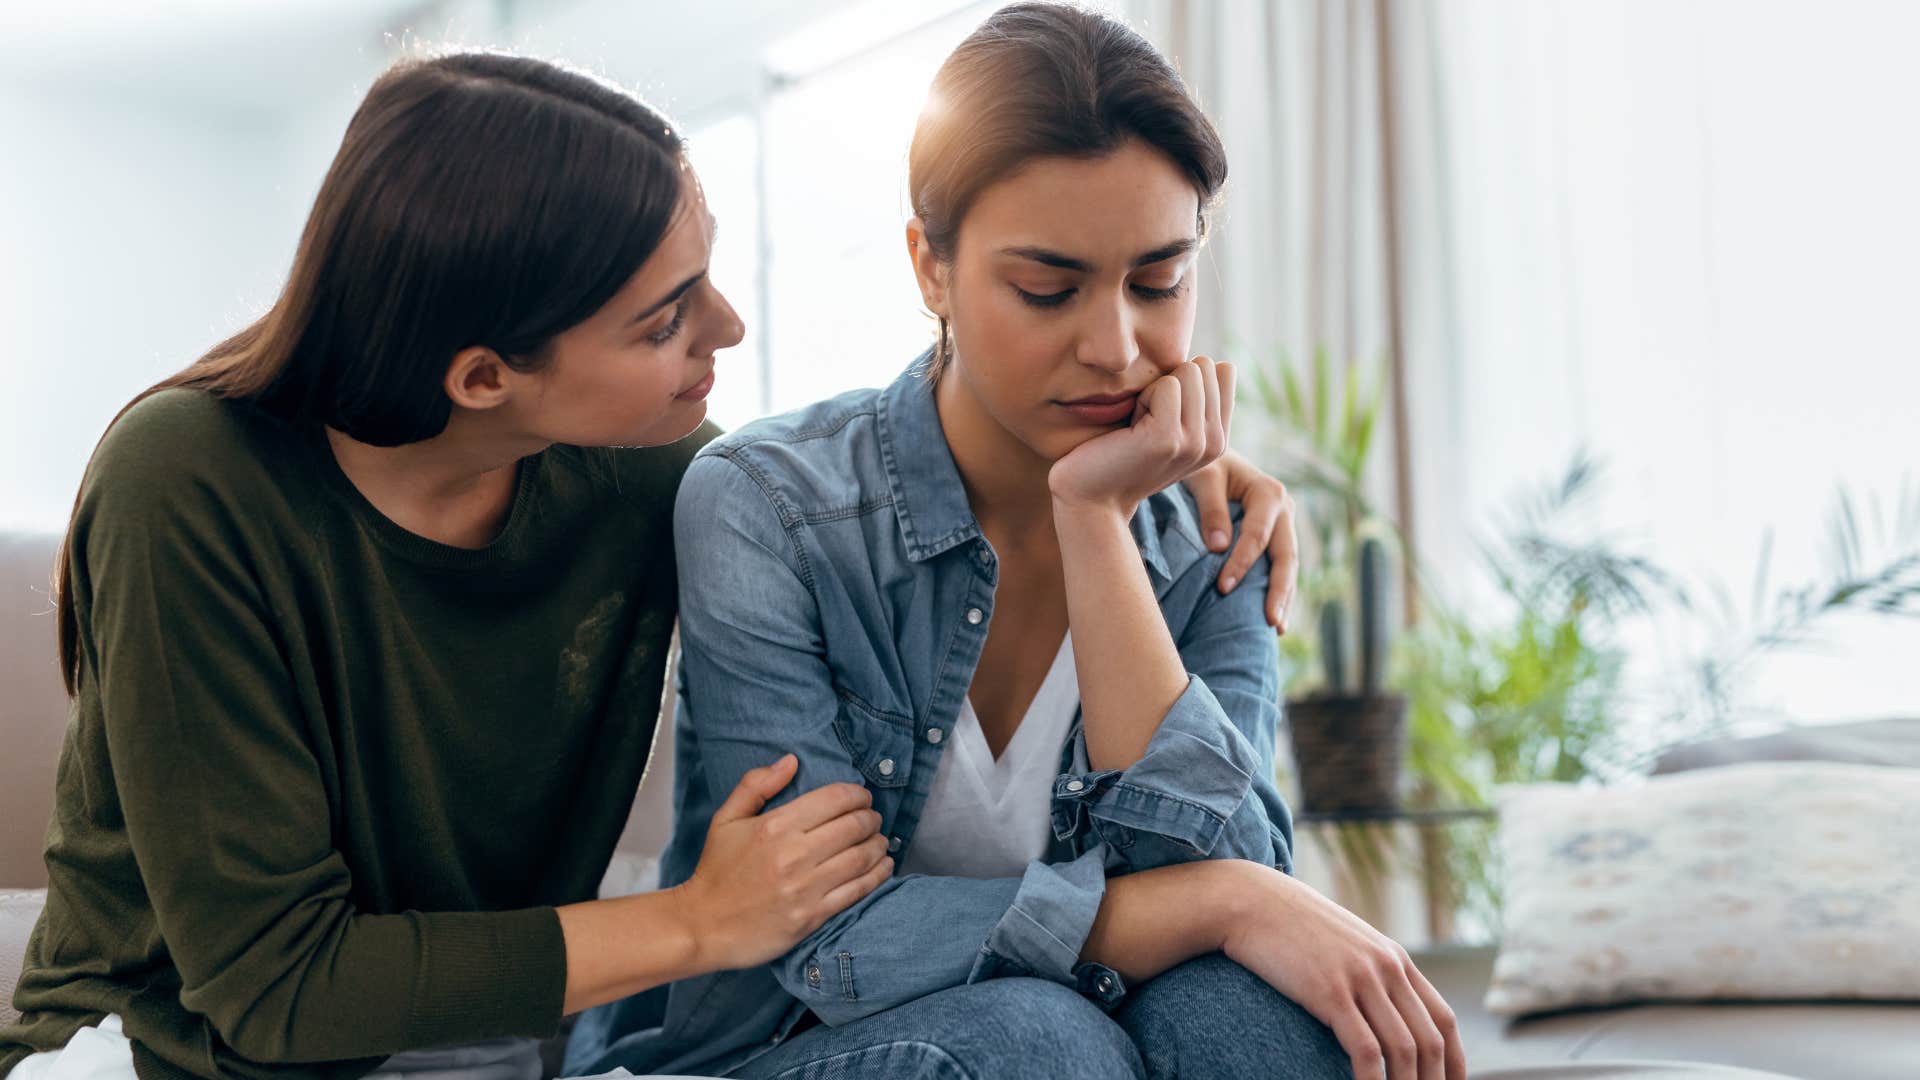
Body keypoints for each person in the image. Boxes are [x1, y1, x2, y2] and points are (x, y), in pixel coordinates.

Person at [2, 44, 1304, 1080]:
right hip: (173, 1060)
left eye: (711, 278)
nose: (727, 328)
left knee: (1236, 1023)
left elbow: (868, 481)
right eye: (666, 317)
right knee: (1042, 1046)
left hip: (509, 1052)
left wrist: (1163, 478)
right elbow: (273, 986)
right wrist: (699, 923)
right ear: (484, 379)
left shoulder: (647, 470)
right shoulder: (188, 480)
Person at [567, 6, 1463, 1080]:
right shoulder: (772, 506)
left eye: (1159, 282)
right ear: (931, 270)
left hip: (1073, 1039)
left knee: (1265, 1024)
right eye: (1048, 289)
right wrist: (1210, 902)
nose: (1116, 349)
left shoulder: (1214, 534)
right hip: (776, 1051)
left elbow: (1236, 885)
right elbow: (823, 944)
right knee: (1044, 1043)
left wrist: (1096, 528)